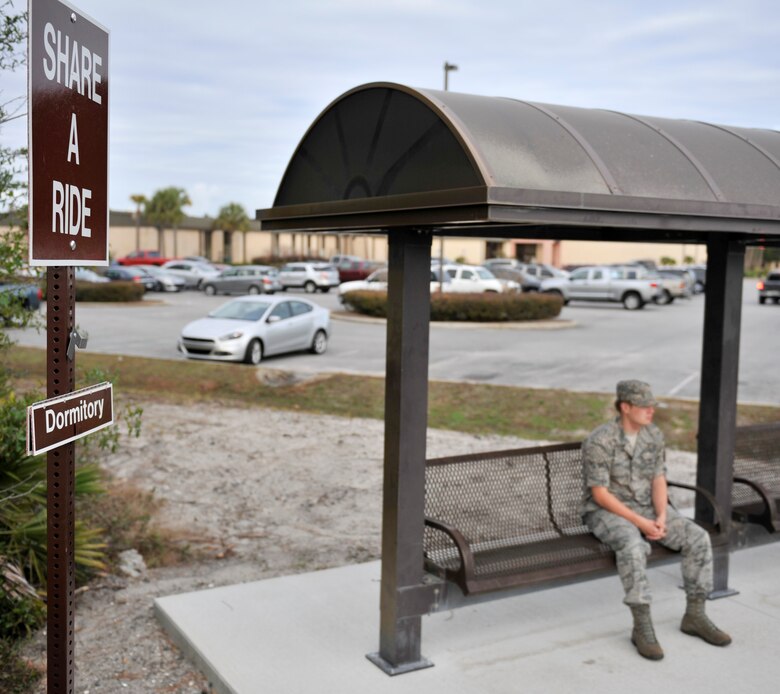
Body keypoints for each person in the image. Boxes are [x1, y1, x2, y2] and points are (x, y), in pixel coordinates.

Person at [581, 380, 731, 660]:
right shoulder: (600, 440)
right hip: (606, 512)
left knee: (697, 537)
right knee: (633, 546)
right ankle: (642, 626)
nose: (651, 410)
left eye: (652, 405)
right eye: (644, 406)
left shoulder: (653, 435)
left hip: (647, 508)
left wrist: (662, 515)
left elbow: (658, 479)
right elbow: (600, 495)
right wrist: (640, 522)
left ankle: (695, 615)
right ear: (625, 407)